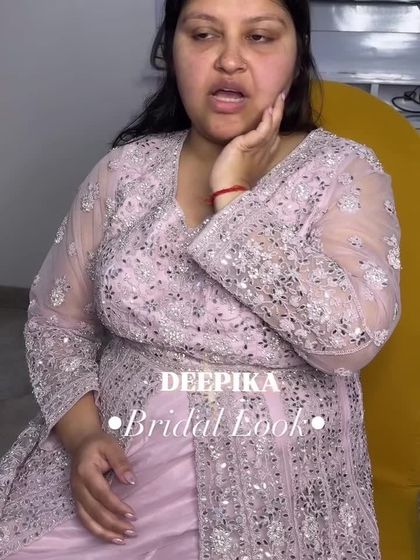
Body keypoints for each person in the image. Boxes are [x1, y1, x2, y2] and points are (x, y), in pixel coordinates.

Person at [0, 0, 402, 558]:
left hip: (273, 497)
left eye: (259, 37)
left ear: (297, 54)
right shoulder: (125, 169)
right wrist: (82, 434)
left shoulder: (343, 172)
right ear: (172, 50)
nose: (230, 60)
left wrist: (233, 199)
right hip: (111, 469)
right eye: (204, 34)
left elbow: (350, 339)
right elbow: (56, 323)